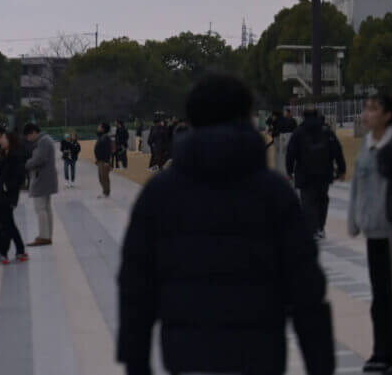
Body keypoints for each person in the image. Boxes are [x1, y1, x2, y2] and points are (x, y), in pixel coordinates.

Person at [118, 74, 333, 375]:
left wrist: (135, 361)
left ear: (191, 120)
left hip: (188, 355)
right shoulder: (273, 193)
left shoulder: (159, 194)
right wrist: (320, 363)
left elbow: (135, 289)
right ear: (246, 118)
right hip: (260, 355)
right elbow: (306, 289)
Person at [348, 91, 392, 373]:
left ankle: (391, 351)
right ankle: (380, 350)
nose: (366, 113)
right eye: (365, 108)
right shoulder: (366, 145)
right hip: (373, 232)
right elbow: (356, 185)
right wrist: (354, 221)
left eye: (373, 109)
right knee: (379, 295)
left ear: (387, 116)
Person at [287, 107, 346, 238]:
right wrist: (342, 169)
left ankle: (311, 228)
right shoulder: (326, 131)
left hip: (304, 173)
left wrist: (289, 170)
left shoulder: (298, 132)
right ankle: (320, 227)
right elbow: (337, 150)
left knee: (307, 202)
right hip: (324, 172)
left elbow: (291, 153)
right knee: (322, 200)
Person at [0, 126, 29, 265]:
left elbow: (19, 177)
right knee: (8, 224)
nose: (1, 140)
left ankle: (6, 253)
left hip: (7, 196)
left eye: (3, 138)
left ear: (10, 141)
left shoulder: (14, 156)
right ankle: (17, 251)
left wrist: (6, 187)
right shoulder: (4, 154)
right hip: (0, 195)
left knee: (7, 224)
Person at [23, 122, 58, 245]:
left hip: (41, 179)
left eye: (28, 136)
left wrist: (27, 163)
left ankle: (44, 236)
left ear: (33, 132)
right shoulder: (46, 139)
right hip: (46, 178)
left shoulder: (42, 141)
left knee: (40, 208)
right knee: (46, 208)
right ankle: (47, 236)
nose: (28, 139)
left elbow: (40, 159)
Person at [94, 122, 114, 198]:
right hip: (100, 160)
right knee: (101, 177)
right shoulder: (101, 137)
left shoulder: (105, 138)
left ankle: (106, 192)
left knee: (104, 177)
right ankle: (105, 191)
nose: (98, 128)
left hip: (104, 161)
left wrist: (107, 161)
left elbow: (107, 150)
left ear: (103, 129)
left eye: (99, 127)